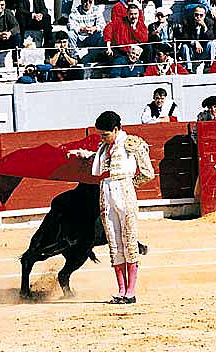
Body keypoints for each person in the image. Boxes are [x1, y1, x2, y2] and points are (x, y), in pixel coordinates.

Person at [67, 111, 155, 304]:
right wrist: (83, 154)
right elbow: (99, 163)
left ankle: (130, 292)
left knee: (129, 241)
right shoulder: (104, 147)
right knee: (114, 242)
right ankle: (121, 290)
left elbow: (149, 172)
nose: (102, 138)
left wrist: (130, 184)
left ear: (116, 129)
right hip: (106, 192)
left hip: (124, 192)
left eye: (105, 134)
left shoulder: (133, 144)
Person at [177, 5, 216, 73]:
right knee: (184, 46)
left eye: (201, 15)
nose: (198, 17)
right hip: (192, 51)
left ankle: (210, 66)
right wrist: (195, 42)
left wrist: (204, 27)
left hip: (203, 50)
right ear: (193, 14)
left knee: (211, 44)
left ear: (204, 15)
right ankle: (189, 69)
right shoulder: (187, 22)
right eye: (196, 15)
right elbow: (184, 37)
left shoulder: (209, 22)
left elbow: (211, 37)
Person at [67, 0, 106, 64]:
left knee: (102, 34)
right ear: (81, 1)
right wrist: (81, 29)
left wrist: (94, 28)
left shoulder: (96, 10)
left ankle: (101, 55)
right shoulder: (75, 11)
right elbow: (70, 25)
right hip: (79, 38)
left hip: (92, 37)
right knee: (71, 34)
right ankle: (74, 57)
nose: (87, 4)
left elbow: (103, 25)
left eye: (90, 1)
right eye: (85, 1)